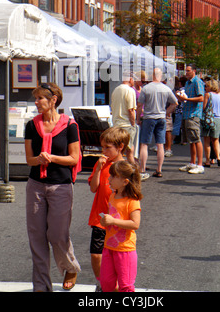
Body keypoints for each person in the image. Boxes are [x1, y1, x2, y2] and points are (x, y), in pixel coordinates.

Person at [25, 83, 81, 292]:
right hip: (36, 185)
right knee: (37, 237)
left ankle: (70, 266)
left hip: (61, 186)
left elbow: (74, 158)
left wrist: (52, 158)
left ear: (53, 100)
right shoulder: (32, 125)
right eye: (36, 98)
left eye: (40, 98)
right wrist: (38, 159)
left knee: (57, 234)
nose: (37, 102)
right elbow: (29, 160)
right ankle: (41, 287)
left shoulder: (70, 125)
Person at [88, 127, 129, 292]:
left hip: (118, 220)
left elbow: (133, 195)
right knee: (96, 254)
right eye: (102, 147)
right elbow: (93, 188)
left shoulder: (126, 167)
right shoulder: (102, 164)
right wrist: (98, 168)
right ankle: (101, 283)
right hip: (100, 218)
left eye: (107, 147)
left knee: (116, 256)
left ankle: (115, 285)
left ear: (120, 146)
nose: (103, 151)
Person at [99, 160, 143, 292]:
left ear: (125, 182)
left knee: (126, 285)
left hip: (125, 250)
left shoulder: (132, 200)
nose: (109, 178)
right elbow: (112, 217)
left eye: (113, 176)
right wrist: (105, 222)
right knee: (106, 282)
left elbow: (135, 224)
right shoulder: (113, 195)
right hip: (109, 247)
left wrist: (112, 221)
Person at [136, 68, 177, 179]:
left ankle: (143, 169)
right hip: (161, 118)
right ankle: (159, 169)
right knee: (160, 144)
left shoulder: (146, 88)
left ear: (151, 75)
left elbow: (139, 105)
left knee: (144, 144)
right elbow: (175, 103)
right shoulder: (166, 88)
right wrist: (166, 112)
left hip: (149, 117)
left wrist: (138, 118)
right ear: (161, 76)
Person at [178, 64, 205, 174]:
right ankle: (192, 163)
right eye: (186, 71)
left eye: (188, 71)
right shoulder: (188, 83)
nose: (186, 72)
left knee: (196, 139)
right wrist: (181, 97)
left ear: (194, 71)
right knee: (191, 140)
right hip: (187, 113)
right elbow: (187, 98)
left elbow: (201, 97)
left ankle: (199, 164)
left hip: (193, 114)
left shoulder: (197, 82)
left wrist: (187, 99)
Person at [111, 71, 137, 165]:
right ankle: (133, 171)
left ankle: (118, 170)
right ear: (130, 79)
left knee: (119, 150)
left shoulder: (116, 90)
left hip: (116, 124)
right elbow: (131, 110)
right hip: (126, 124)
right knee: (129, 151)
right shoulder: (130, 90)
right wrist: (133, 123)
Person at [202, 79, 220, 167]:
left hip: (209, 119)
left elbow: (204, 107)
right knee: (216, 140)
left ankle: (207, 160)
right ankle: (218, 157)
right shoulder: (219, 96)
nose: (205, 88)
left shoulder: (207, 95)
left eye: (206, 86)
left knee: (207, 140)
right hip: (218, 119)